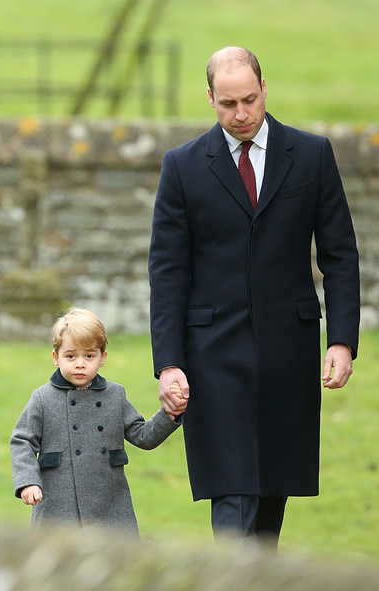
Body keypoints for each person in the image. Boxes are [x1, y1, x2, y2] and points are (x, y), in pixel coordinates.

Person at [148, 47, 360, 551]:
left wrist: (342, 340)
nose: (241, 114)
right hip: (212, 353)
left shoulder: (312, 155)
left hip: (290, 349)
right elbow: (167, 269)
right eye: (227, 104)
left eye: (249, 100)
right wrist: (168, 363)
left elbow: (340, 255)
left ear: (265, 89)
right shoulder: (181, 167)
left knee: (271, 496)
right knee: (234, 489)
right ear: (209, 99)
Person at [10, 308, 184, 536]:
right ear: (56, 358)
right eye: (71, 356)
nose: (80, 364)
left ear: (102, 358)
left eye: (89, 356)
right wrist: (28, 482)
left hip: (110, 505)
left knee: (117, 566)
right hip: (58, 505)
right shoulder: (42, 398)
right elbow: (22, 441)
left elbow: (143, 436)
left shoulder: (115, 395)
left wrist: (169, 413)